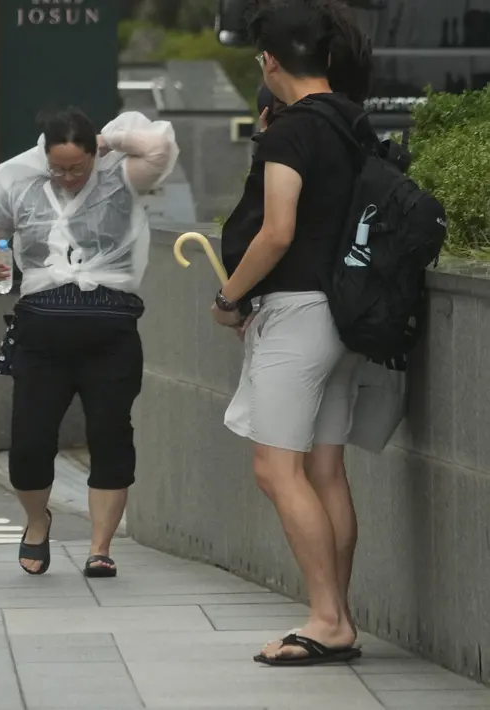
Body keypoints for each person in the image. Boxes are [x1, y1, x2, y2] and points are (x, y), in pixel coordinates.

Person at [214, 0, 371, 666]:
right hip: (342, 312)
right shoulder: (350, 122)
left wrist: (229, 294)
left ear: (270, 61)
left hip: (297, 314)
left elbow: (276, 231)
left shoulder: (289, 133)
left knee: (276, 468)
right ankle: (337, 611)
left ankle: (326, 618)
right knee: (325, 469)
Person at [0, 106, 178, 578]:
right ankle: (37, 522)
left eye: (76, 167)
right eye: (57, 167)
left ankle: (100, 547)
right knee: (29, 444)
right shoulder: (16, 177)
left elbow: (159, 145)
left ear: (91, 154)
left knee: (111, 436)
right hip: (42, 332)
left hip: (112, 330)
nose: (66, 176)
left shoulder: (121, 174)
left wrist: (109, 141)